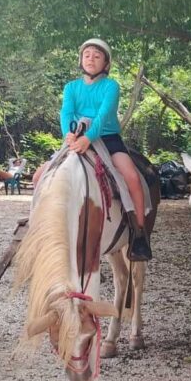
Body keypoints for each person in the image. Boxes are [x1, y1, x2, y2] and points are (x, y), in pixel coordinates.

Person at [35, 38, 152, 261]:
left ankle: (139, 234)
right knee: (39, 176)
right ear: (80, 60)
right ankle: (40, 224)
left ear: (106, 64)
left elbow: (104, 114)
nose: (91, 59)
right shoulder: (71, 87)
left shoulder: (111, 86)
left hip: (107, 138)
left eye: (97, 56)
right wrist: (68, 135)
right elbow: (66, 112)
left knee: (133, 178)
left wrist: (88, 138)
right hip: (76, 137)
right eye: (87, 55)